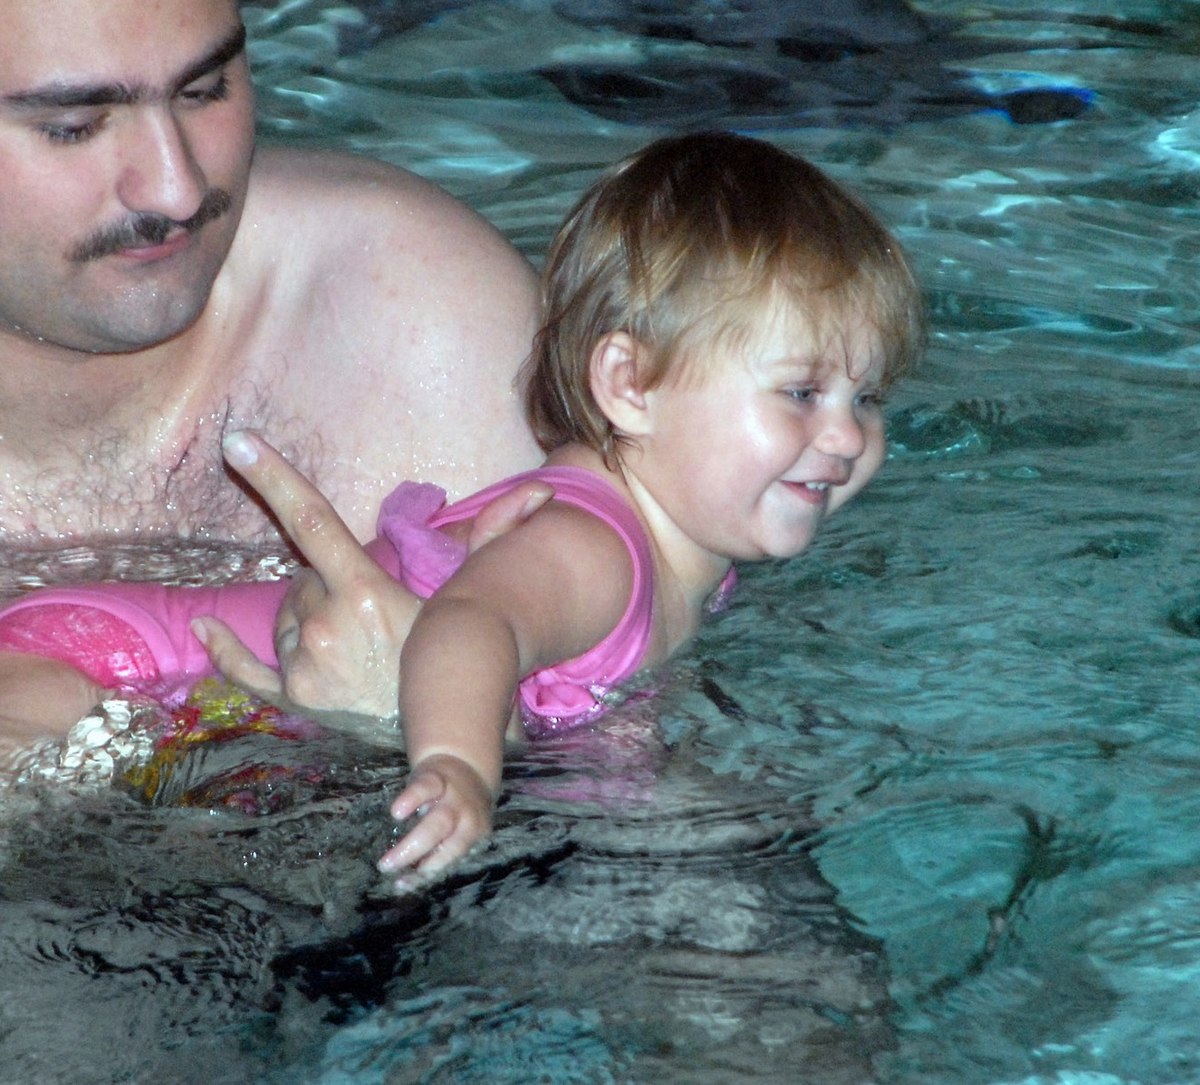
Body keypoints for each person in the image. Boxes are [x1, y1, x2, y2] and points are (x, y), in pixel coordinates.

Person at [0, 132, 924, 886]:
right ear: (630, 384)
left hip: (159, 684)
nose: (846, 437)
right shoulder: (594, 548)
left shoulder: (674, 543)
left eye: (868, 399)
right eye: (802, 394)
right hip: (95, 658)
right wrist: (461, 768)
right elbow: (470, 624)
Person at [0, 0, 546, 746]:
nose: (177, 189)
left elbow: (646, 798)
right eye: (74, 126)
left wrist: (454, 729)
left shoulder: (420, 332)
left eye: (204, 90)